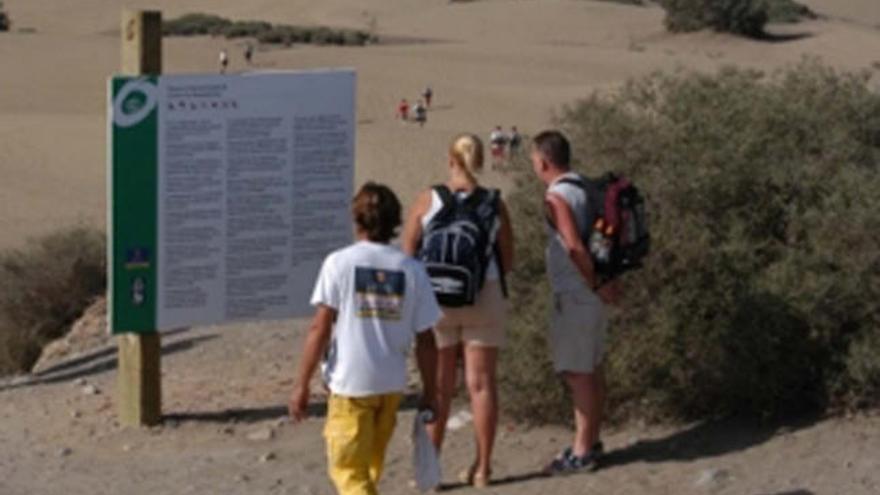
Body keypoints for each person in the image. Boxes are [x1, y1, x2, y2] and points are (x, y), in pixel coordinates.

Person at [289, 182, 442, 495]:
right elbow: (427, 339)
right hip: (390, 384)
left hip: (351, 384)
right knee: (369, 469)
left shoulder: (339, 263)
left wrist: (301, 383)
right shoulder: (412, 270)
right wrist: (430, 389)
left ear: (356, 219)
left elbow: (320, 328)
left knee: (348, 472)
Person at [402, 133, 515, 488]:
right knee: (481, 385)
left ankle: (430, 471)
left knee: (438, 387)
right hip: (484, 294)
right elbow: (508, 259)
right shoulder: (494, 203)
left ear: (451, 160)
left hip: (435, 302)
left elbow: (408, 251)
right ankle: (482, 469)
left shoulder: (429, 198)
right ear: (480, 161)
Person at [529, 130, 620, 475]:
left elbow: (574, 246)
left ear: (544, 161)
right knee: (592, 368)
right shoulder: (586, 186)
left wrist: (595, 283)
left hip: (577, 292)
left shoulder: (557, 197)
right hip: (593, 292)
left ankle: (582, 451)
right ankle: (591, 439)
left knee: (577, 373)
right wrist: (606, 282)